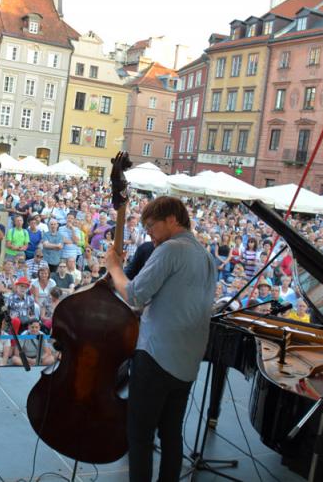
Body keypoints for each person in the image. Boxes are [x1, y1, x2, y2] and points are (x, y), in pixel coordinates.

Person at [106, 196, 216, 482]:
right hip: (188, 362)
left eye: (151, 226)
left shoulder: (171, 249)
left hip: (156, 358)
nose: (150, 234)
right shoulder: (205, 256)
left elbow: (134, 295)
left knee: (140, 436)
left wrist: (114, 268)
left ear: (172, 219)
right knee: (171, 434)